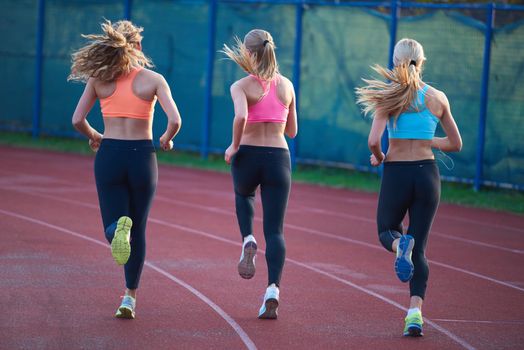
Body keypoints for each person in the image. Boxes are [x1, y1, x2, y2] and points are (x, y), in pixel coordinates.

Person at [69, 20, 181, 319]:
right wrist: (167, 140)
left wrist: (95, 136)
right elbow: (175, 120)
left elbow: (77, 120)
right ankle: (129, 297)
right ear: (139, 47)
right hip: (143, 157)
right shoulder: (154, 80)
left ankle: (115, 230)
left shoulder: (98, 79)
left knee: (115, 223)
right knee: (139, 228)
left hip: (110, 155)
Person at [355, 38, 462, 336]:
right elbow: (456, 144)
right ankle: (414, 315)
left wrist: (379, 158)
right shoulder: (438, 98)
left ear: (395, 62)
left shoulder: (388, 96)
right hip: (427, 175)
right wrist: (429, 141)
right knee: (421, 249)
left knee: (387, 230)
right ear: (422, 62)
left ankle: (398, 246)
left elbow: (374, 141)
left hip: (397, 173)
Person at [221, 29, 298, 319]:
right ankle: (272, 290)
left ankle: (247, 238)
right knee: (276, 230)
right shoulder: (287, 86)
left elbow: (241, 116)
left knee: (244, 194)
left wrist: (233, 145)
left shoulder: (241, 85)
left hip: (249, 154)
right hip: (279, 157)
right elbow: (292, 131)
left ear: (250, 54)